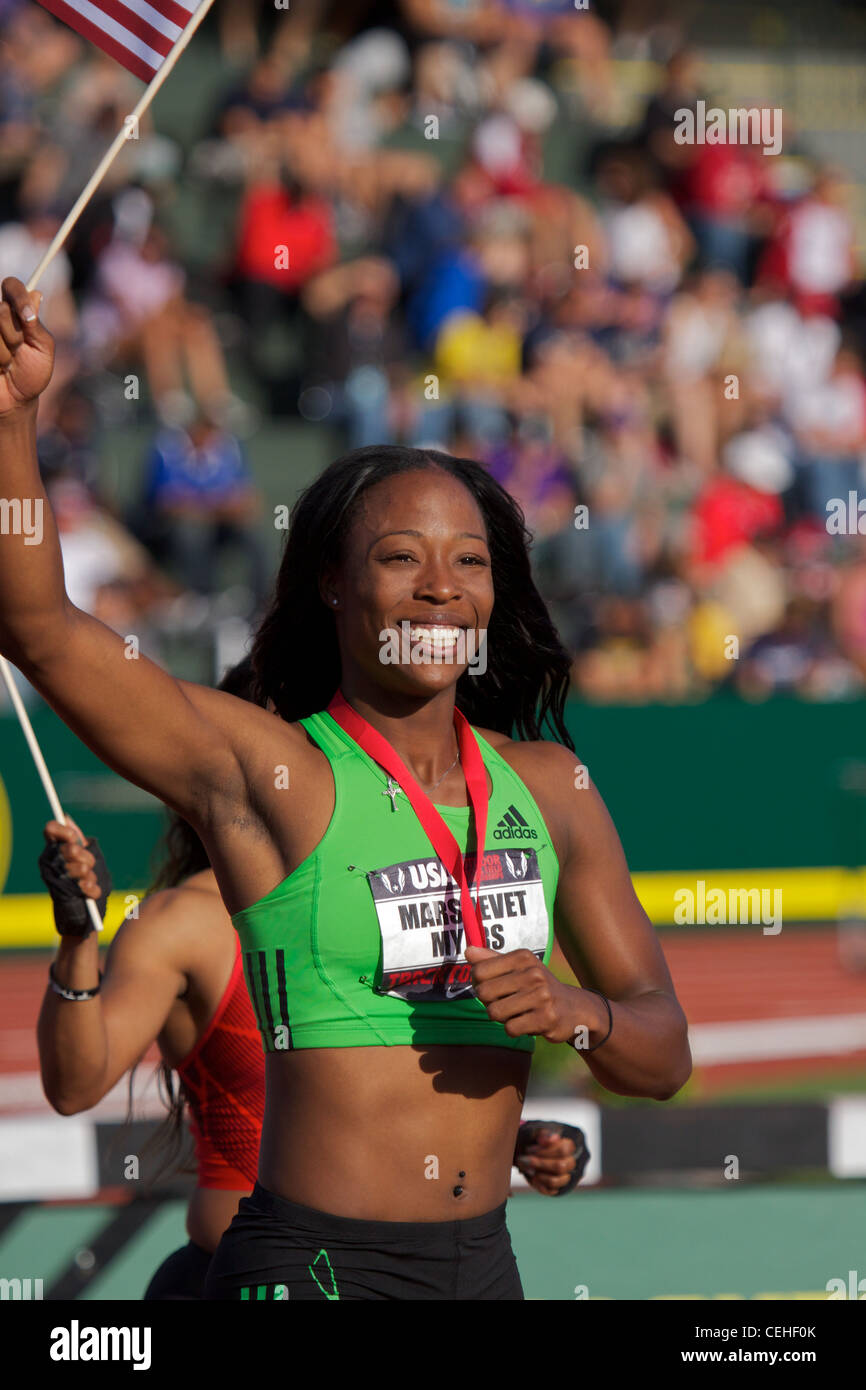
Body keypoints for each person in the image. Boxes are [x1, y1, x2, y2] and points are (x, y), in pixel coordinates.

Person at [0, 275, 690, 1300]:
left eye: (468, 560)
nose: (440, 586)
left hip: (483, 1268)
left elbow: (661, 1049)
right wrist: (14, 421)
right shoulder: (279, 774)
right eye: (399, 557)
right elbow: (43, 632)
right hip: (315, 1269)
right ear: (333, 582)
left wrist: (573, 1008)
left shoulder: (551, 788)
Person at [36, 665, 588, 1302]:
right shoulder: (183, 922)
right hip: (247, 1276)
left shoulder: (376, 909)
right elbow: (75, 1085)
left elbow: (378, 1096)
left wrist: (509, 1143)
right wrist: (79, 940)